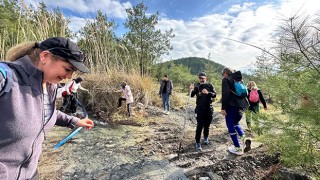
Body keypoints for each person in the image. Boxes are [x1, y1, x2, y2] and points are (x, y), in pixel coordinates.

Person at [0, 37, 94, 180]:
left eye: (73, 72)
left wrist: (74, 121)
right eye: (67, 69)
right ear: (45, 56)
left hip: (31, 174)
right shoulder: (5, 77)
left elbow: (44, 114)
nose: (69, 77)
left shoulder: (50, 85)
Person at [221, 68, 250, 155]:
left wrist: (223, 108)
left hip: (232, 106)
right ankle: (245, 140)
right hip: (242, 106)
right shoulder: (240, 80)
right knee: (236, 123)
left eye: (223, 74)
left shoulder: (226, 79)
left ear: (226, 73)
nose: (223, 76)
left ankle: (237, 148)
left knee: (230, 125)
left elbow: (225, 94)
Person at [189, 72, 217, 151]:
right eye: (200, 78)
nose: (201, 79)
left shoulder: (210, 85)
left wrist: (208, 93)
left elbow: (215, 95)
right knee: (199, 126)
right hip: (200, 109)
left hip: (209, 109)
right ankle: (197, 142)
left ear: (206, 78)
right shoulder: (197, 86)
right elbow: (191, 95)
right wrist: (191, 90)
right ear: (199, 78)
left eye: (203, 78)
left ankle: (205, 137)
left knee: (207, 125)